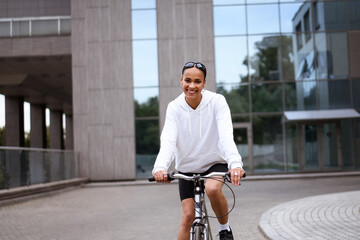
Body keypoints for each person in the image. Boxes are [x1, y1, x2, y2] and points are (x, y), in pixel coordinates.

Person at [152, 61, 245, 240]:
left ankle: (224, 229)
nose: (192, 86)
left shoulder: (217, 101)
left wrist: (235, 164)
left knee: (211, 189)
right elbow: (169, 141)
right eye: (188, 80)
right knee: (187, 217)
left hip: (214, 163)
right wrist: (160, 168)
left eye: (197, 81)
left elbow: (226, 136)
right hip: (187, 168)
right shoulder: (174, 107)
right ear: (181, 81)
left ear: (204, 83)